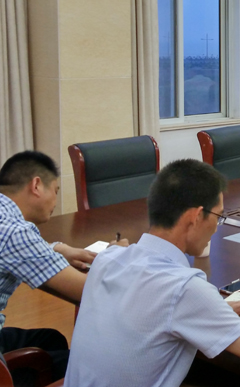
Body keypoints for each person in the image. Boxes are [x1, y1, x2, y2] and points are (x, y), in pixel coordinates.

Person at [65, 159, 240, 387]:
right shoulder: (184, 288)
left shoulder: (107, 258)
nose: (216, 226)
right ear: (195, 217)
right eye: (218, 216)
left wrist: (213, 310)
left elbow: (145, 311)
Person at [0, 151, 126, 384]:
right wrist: (116, 254)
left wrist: (57, 248)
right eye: (56, 191)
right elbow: (89, 291)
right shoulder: (16, 233)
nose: (55, 202)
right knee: (87, 364)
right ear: (36, 185)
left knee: (51, 340)